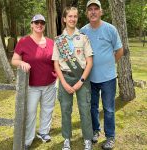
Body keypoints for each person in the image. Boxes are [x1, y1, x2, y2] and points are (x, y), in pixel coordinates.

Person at [80, 0, 123, 149]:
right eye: (90, 9)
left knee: (109, 109)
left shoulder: (110, 29)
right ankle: (95, 131)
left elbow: (120, 50)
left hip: (108, 79)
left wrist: (109, 64)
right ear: (87, 13)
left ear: (101, 12)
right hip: (90, 78)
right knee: (92, 107)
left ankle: (110, 137)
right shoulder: (83, 31)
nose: (93, 12)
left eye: (95, 9)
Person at [11, 14, 57, 150]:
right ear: (31, 24)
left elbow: (56, 62)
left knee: (47, 109)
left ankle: (44, 132)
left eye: (42, 22)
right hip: (32, 85)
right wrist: (21, 62)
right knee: (30, 112)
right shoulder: (23, 42)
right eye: (36, 22)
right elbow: (14, 60)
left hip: (50, 83)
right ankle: (27, 139)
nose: (39, 25)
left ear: (44, 25)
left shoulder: (51, 42)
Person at [52, 7, 93, 150]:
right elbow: (56, 64)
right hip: (65, 78)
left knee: (85, 109)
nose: (72, 19)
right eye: (69, 16)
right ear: (64, 19)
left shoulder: (83, 37)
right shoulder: (58, 41)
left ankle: (88, 139)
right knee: (65, 110)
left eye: (75, 16)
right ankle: (66, 140)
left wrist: (81, 81)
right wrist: (63, 82)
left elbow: (90, 62)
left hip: (82, 78)